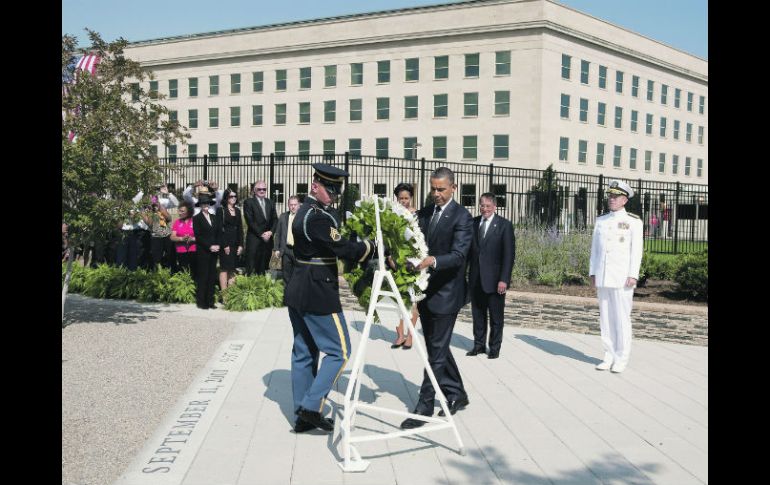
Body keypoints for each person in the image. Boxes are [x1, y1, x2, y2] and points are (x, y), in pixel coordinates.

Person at [284, 164, 376, 433]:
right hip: (317, 292)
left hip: (299, 288)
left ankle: (302, 415)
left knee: (304, 352)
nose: (334, 194)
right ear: (315, 186)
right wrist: (372, 247)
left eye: (337, 190)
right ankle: (312, 406)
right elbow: (343, 247)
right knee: (340, 351)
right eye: (329, 189)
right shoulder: (317, 217)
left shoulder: (307, 211)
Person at [400, 167, 473, 429]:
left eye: (441, 189)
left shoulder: (462, 217)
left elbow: (459, 255)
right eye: (433, 188)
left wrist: (432, 261)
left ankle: (424, 405)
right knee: (436, 346)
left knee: (435, 351)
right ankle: (457, 393)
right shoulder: (426, 213)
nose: (436, 194)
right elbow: (415, 242)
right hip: (426, 291)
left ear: (453, 188)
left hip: (447, 293)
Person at [589, 180, 643, 374]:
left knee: (621, 318)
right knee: (605, 318)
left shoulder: (633, 221)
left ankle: (621, 357)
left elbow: (636, 251)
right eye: (610, 196)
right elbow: (595, 250)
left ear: (624, 200)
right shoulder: (601, 220)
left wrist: (633, 275)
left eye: (615, 196)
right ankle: (608, 355)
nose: (611, 199)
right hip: (603, 277)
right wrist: (593, 272)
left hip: (622, 279)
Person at [466, 193, 515, 359]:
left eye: (488, 206)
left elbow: (509, 256)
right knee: (478, 315)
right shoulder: (472, 223)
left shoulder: (504, 226)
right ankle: (478, 345)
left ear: (494, 207)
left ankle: (494, 348)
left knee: (496, 317)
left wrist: (504, 280)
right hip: (476, 279)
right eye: (482, 205)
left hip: (495, 281)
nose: (484, 209)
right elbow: (467, 253)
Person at [389, 183, 420, 350]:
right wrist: (389, 257)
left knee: (413, 299)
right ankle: (400, 332)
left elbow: (421, 239)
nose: (404, 201)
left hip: (413, 262)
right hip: (396, 261)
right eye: (401, 198)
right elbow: (388, 237)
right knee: (399, 300)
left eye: (406, 198)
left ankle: (410, 335)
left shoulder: (417, 215)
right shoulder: (392, 214)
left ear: (411, 198)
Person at [192, 190, 222, 310]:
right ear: (200, 205)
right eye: (203, 203)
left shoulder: (214, 217)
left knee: (211, 276)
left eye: (207, 203)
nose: (205, 205)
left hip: (214, 251)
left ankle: (210, 301)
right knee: (203, 276)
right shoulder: (196, 218)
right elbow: (198, 236)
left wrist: (218, 245)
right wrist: (209, 246)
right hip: (203, 251)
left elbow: (219, 232)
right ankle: (201, 301)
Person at [244, 180, 278, 275]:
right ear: (254, 190)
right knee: (251, 268)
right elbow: (250, 221)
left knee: (264, 267)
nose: (262, 191)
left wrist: (271, 232)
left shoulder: (270, 202)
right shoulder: (249, 202)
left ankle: (263, 288)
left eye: (264, 189)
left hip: (267, 241)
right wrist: (262, 234)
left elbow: (275, 219)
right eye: (259, 189)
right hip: (254, 240)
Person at [217, 188, 244, 291]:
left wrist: (241, 245)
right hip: (225, 244)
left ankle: (231, 293)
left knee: (232, 269)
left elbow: (240, 229)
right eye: (231, 196)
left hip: (235, 244)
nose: (233, 198)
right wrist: (224, 245)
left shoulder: (237, 210)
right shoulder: (221, 210)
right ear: (226, 198)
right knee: (224, 269)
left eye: (235, 196)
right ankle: (224, 295)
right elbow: (219, 229)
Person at [141, 194, 174, 270]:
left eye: (154, 200)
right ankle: (158, 274)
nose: (152, 202)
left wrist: (159, 209)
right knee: (156, 258)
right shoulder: (144, 210)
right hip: (156, 237)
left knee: (170, 256)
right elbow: (150, 224)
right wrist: (152, 212)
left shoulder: (161, 207)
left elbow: (169, 218)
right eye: (150, 200)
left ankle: (171, 271)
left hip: (167, 235)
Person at [273, 195, 300, 285]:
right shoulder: (283, 216)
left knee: (298, 274)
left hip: (298, 250)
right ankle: (287, 295)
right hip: (286, 250)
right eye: (291, 204)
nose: (293, 206)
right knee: (286, 275)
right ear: (288, 205)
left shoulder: (302, 217)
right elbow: (278, 234)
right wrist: (276, 249)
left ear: (299, 205)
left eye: (295, 204)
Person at [170, 201, 197, 277]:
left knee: (194, 270)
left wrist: (192, 239)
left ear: (189, 212)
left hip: (194, 249)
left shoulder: (195, 221)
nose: (179, 213)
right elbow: (172, 237)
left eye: (182, 211)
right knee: (183, 270)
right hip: (181, 250)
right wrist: (181, 239)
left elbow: (201, 236)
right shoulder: (177, 222)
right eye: (179, 210)